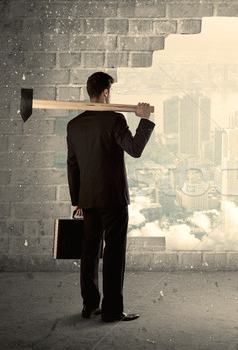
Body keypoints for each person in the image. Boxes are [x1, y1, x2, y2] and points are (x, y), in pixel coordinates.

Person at [66, 72, 155, 322]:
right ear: (106, 92)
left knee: (89, 252)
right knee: (114, 254)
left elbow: (72, 165)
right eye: (110, 91)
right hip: (114, 199)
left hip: (87, 199)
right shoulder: (115, 119)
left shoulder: (74, 125)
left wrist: (77, 201)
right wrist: (144, 120)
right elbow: (135, 149)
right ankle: (112, 311)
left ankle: (89, 306)